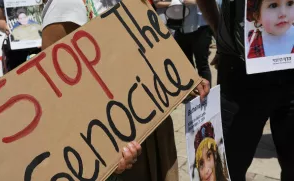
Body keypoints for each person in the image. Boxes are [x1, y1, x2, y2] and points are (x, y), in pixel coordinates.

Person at [40, 0, 210, 180]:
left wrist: (185, 79)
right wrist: (104, 157)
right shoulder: (67, 6)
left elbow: (151, 49)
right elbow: (57, 100)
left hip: (154, 129)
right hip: (117, 147)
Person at [197, 0, 294, 180]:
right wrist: (223, 34)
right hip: (240, 74)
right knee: (227, 168)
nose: (282, 12)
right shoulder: (254, 38)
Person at [0, 0, 41, 73]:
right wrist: (5, 27)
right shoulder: (16, 27)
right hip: (15, 53)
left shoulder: (34, 24)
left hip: (40, 47)